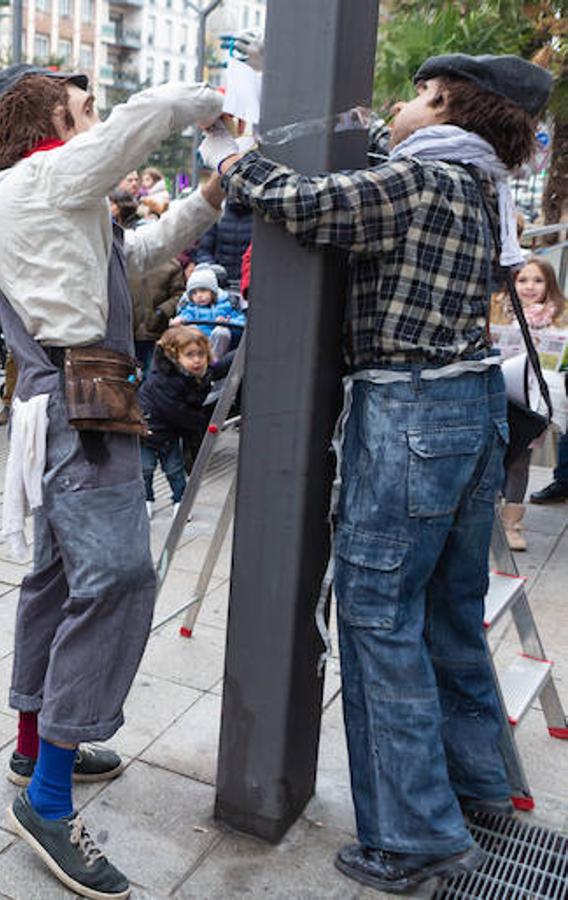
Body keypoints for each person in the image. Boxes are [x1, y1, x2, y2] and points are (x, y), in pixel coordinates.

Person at [203, 50, 553, 893]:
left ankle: (411, 838)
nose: (396, 105)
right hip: (470, 409)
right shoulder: (477, 184)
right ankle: (478, 795)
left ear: (442, 106)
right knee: (448, 619)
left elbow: (300, 201)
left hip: (409, 416)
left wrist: (232, 155)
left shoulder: (419, 181)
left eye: (413, 95)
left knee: (377, 620)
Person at [0, 65, 229, 899]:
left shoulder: (46, 196)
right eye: (82, 105)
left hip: (68, 403)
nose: (95, 116)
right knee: (118, 581)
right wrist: (207, 103)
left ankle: (35, 744)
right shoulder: (40, 177)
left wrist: (206, 203)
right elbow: (144, 119)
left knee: (55, 582)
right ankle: (48, 800)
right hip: (84, 405)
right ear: (44, 115)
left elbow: (136, 257)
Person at [490, 259, 566, 550]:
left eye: (537, 281)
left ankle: (512, 523)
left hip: (532, 400)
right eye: (523, 280)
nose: (530, 287)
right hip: (498, 392)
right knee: (490, 457)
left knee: (520, 461)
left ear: (549, 284)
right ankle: (486, 516)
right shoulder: (497, 309)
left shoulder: (559, 317)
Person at [138, 326, 220, 509]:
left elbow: (218, 369)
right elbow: (176, 411)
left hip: (169, 431)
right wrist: (199, 422)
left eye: (201, 354)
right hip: (148, 430)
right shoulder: (164, 379)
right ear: (175, 357)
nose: (197, 360)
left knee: (175, 468)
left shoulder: (192, 374)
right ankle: (146, 499)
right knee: (146, 468)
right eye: (190, 355)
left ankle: (180, 500)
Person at [169, 264, 245, 359]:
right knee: (190, 330)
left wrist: (228, 322)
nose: (199, 295)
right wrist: (179, 320)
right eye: (194, 293)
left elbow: (242, 323)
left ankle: (214, 361)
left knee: (222, 332)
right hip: (198, 347)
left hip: (220, 351)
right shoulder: (190, 307)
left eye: (203, 290)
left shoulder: (227, 304)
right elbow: (185, 316)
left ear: (213, 291)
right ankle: (197, 359)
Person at [194, 196, 253, 283]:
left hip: (249, 285)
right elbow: (204, 251)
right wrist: (214, 272)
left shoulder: (259, 217)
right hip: (219, 283)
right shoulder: (218, 213)